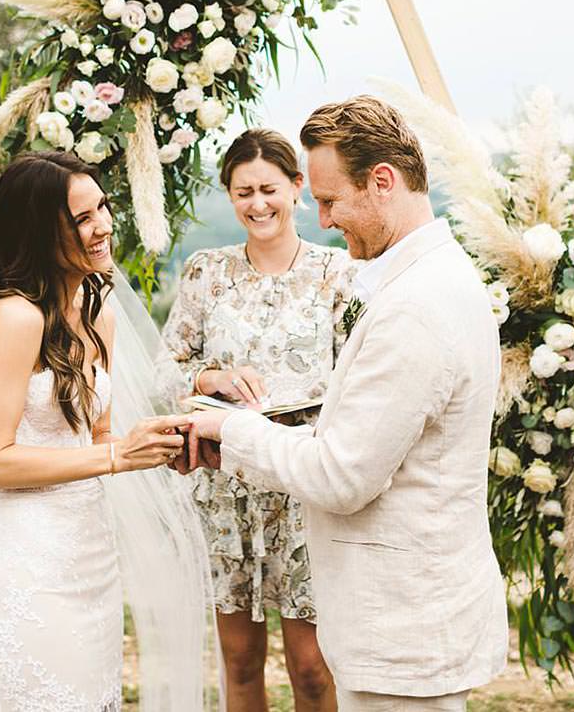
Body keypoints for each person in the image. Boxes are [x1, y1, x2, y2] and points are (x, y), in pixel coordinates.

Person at [184, 97, 509, 712]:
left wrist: (233, 432)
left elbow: (341, 475)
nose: (325, 219)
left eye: (330, 200)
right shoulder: (436, 278)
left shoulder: (416, 306)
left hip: (404, 631)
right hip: (410, 620)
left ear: (381, 182)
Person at [0, 151, 190, 712]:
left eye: (103, 208)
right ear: (42, 229)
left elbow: (96, 438)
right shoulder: (14, 317)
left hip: (92, 557)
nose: (104, 226)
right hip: (32, 564)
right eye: (83, 217)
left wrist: (153, 442)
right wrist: (114, 461)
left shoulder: (97, 313)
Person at [160, 128, 355, 712]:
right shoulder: (204, 272)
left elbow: (360, 378)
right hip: (224, 489)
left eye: (269, 188)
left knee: (312, 668)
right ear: (229, 194)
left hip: (304, 485)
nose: (257, 204)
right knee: (239, 663)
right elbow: (162, 369)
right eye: (242, 191)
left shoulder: (339, 274)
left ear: (298, 188)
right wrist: (206, 379)